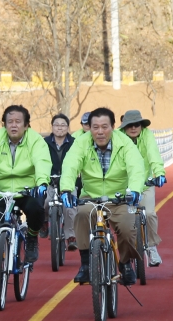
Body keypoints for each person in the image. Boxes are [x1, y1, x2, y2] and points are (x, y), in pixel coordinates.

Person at [60, 107, 146, 285]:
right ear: (89, 128)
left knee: (128, 228)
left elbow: (136, 167)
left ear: (113, 127)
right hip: (91, 197)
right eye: (95, 127)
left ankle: (125, 264)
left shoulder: (124, 143)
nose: (100, 132)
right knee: (82, 214)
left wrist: (135, 190)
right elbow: (70, 165)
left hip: (120, 198)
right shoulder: (81, 143)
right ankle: (85, 264)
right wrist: (67, 189)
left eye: (105, 127)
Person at [0, 105, 52, 289]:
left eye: (18, 122)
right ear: (4, 125)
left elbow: (42, 160)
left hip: (28, 189)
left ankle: (32, 237)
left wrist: (41, 183)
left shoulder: (35, 140)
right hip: (5, 192)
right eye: (10, 122)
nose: (14, 125)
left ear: (26, 125)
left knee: (36, 209)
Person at [119, 109, 166, 266]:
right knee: (122, 220)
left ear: (141, 125)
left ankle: (152, 248)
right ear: (124, 127)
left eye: (137, 124)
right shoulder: (117, 138)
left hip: (145, 184)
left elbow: (154, 155)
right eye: (129, 125)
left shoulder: (147, 136)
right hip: (124, 186)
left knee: (150, 214)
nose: (133, 128)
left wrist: (159, 173)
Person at [40, 113, 78, 251]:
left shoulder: (74, 143)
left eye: (63, 125)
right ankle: (44, 222)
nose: (60, 128)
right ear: (52, 127)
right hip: (50, 180)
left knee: (70, 206)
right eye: (56, 125)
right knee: (44, 201)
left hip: (68, 180)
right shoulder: (44, 143)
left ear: (68, 127)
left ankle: (71, 236)